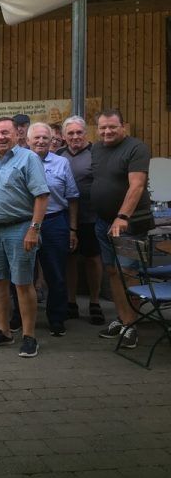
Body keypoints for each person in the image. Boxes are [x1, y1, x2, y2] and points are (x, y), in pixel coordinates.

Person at [0, 117, 49, 358]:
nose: (0, 137)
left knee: (22, 282)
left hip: (20, 228)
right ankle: (4, 331)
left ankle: (29, 336)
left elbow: (42, 196)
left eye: (5, 133)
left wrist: (34, 229)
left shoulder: (29, 159)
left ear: (18, 134)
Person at [91, 109, 154, 349]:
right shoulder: (96, 149)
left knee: (129, 273)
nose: (107, 131)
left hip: (129, 223)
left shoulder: (137, 148)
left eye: (112, 127)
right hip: (103, 223)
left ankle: (131, 324)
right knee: (113, 272)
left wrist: (122, 216)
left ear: (123, 127)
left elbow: (136, 186)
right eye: (103, 127)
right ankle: (122, 317)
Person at [28, 122, 79, 337]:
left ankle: (57, 318)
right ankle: (20, 316)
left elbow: (72, 197)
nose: (41, 141)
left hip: (55, 222)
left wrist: (72, 229)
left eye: (45, 138)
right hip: (25, 222)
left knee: (56, 273)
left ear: (53, 141)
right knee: (23, 274)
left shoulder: (62, 163)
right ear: (28, 141)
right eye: (36, 138)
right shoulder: (20, 160)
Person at [57, 116, 105, 325]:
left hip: (92, 217)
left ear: (86, 133)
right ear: (64, 136)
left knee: (93, 259)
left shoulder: (97, 154)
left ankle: (94, 302)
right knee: (70, 259)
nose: (75, 136)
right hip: (64, 217)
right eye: (70, 133)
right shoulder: (58, 155)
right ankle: (71, 302)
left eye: (79, 132)